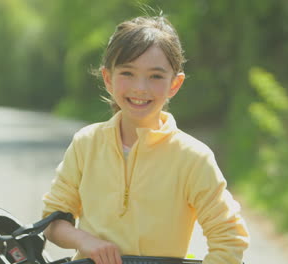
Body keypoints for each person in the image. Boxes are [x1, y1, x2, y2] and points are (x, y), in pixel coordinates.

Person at [42, 15, 250, 264]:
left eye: (155, 76)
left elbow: (229, 237)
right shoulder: (86, 144)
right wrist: (85, 241)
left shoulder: (193, 158)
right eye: (127, 73)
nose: (140, 87)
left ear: (175, 83)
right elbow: (53, 221)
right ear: (108, 78)